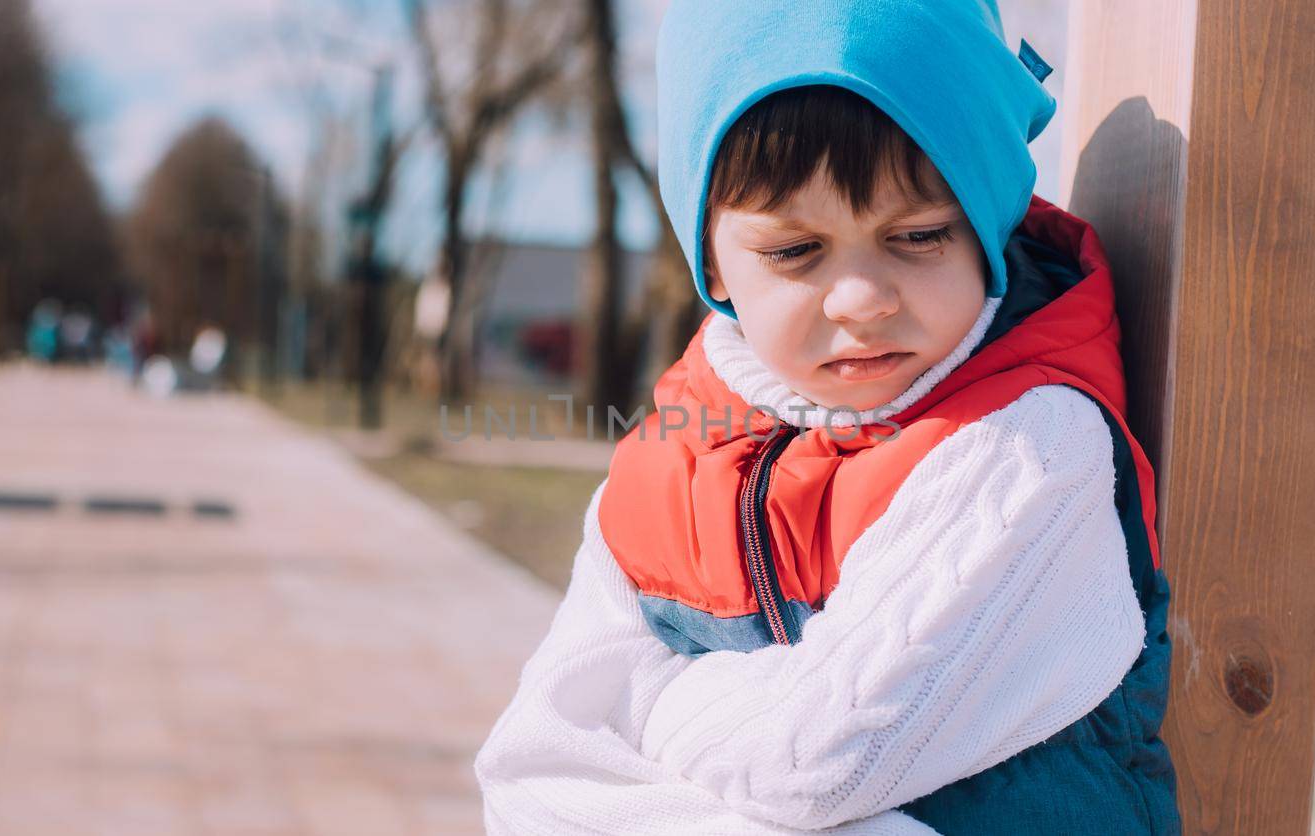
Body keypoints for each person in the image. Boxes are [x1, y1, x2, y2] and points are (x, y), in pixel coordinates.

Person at [474, 1, 1179, 833]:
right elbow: (525, 778)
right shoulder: (673, 452)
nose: (861, 298)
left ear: (986, 220)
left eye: (917, 236)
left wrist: (641, 702)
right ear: (712, 258)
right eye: (794, 252)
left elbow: (821, 768)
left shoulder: (1030, 444)